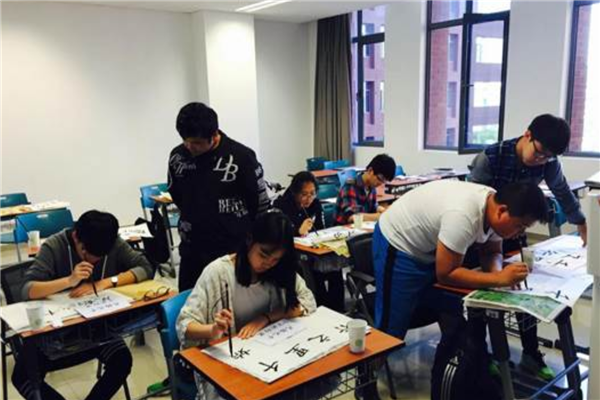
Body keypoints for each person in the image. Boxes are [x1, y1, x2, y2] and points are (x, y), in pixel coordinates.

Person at [363, 181, 549, 399]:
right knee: (391, 330)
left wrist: (497, 274)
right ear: (502, 211)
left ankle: (457, 377)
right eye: (519, 226)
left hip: (431, 248)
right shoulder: (463, 216)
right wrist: (498, 279)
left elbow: (492, 252)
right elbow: (447, 273)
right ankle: (365, 382)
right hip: (399, 244)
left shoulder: (494, 207)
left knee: (454, 315)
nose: (519, 233)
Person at [469, 113, 585, 380]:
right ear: (528, 134)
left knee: (522, 285)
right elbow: (471, 197)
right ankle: (481, 355)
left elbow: (562, 190)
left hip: (514, 230)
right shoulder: (492, 157)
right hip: (481, 234)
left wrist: (581, 222)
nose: (541, 160)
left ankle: (531, 354)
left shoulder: (549, 162)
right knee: (483, 292)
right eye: (540, 153)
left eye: (548, 158)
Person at [13, 210, 154, 400]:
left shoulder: (112, 242)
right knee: (23, 377)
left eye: (100, 257)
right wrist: (68, 281)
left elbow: (145, 267)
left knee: (122, 361)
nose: (93, 261)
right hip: (56, 336)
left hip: (97, 329)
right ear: (75, 237)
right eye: (87, 254)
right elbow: (27, 290)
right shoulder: (55, 246)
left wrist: (106, 282)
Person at [176, 211, 316, 400]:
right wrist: (213, 329)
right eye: (264, 254)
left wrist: (266, 318)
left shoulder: (280, 270)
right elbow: (184, 325)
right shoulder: (219, 272)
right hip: (231, 366)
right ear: (250, 241)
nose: (268, 263)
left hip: (273, 357)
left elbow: (307, 302)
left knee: (311, 382)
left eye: (276, 259)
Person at [168, 102, 270, 291]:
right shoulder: (178, 157)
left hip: (230, 250)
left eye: (196, 142)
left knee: (228, 304)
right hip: (192, 248)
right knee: (190, 302)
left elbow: (259, 204)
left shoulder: (242, 157)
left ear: (214, 135)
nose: (189, 146)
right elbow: (177, 194)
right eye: (185, 140)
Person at [274, 171, 344, 312]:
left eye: (312, 193)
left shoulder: (315, 204)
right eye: (304, 194)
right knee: (314, 273)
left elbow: (320, 229)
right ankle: (320, 308)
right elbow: (277, 234)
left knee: (335, 268)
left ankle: (337, 309)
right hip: (290, 253)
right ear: (295, 192)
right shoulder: (281, 205)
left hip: (312, 249)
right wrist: (297, 231)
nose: (309, 198)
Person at [334, 154, 396, 225]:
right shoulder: (350, 186)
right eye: (380, 179)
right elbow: (352, 217)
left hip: (361, 227)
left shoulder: (371, 186)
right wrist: (380, 216)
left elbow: (373, 207)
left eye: (384, 181)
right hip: (343, 229)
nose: (380, 183)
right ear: (370, 170)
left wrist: (383, 210)